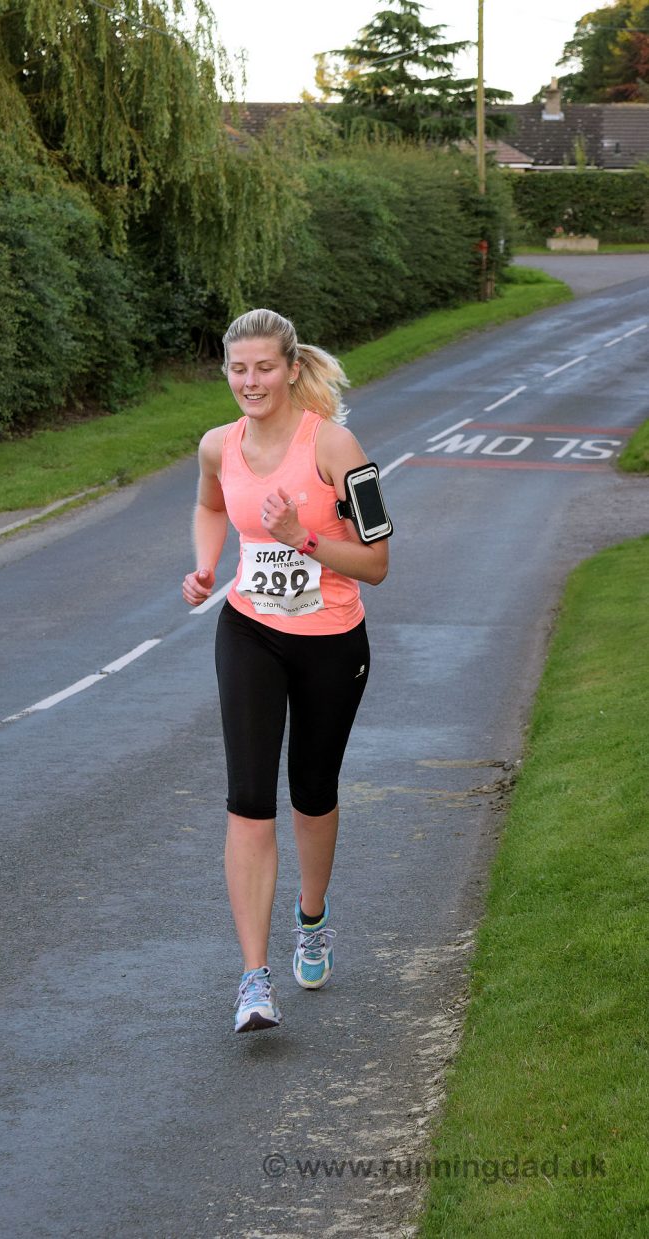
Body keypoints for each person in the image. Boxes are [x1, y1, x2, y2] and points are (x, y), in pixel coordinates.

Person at [182, 308, 389, 1033]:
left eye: (264, 367)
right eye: (238, 369)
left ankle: (312, 917)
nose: (250, 381)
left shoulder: (335, 446)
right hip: (250, 630)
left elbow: (378, 562)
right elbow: (211, 506)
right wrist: (207, 566)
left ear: (292, 368)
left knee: (312, 791)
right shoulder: (218, 445)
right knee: (248, 799)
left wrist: (304, 538)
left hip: (331, 637)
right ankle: (253, 979)